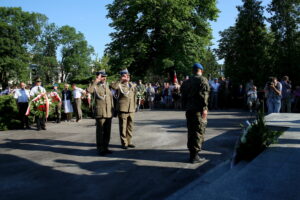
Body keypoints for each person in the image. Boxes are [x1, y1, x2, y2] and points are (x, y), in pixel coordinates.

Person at [181, 63, 210, 163]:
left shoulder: (186, 82)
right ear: (201, 70)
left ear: (193, 70)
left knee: (191, 131)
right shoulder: (202, 80)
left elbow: (183, 97)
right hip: (198, 110)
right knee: (198, 131)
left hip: (189, 110)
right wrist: (205, 109)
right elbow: (204, 96)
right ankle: (195, 156)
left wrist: (186, 106)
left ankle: (192, 154)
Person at [88, 70, 114, 155]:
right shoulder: (95, 85)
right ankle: (100, 149)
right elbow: (89, 91)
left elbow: (110, 98)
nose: (104, 78)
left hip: (108, 112)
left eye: (105, 76)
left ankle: (106, 147)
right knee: (100, 132)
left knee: (107, 131)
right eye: (102, 76)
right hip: (100, 112)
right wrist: (96, 81)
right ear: (98, 77)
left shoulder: (107, 86)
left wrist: (112, 109)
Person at [111, 69, 137, 149]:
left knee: (130, 126)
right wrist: (120, 80)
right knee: (123, 127)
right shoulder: (119, 85)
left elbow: (134, 96)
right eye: (125, 75)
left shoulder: (132, 85)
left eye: (128, 75)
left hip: (131, 108)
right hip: (123, 109)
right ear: (122, 76)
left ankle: (129, 141)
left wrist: (135, 106)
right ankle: (124, 143)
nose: (127, 77)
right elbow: (113, 87)